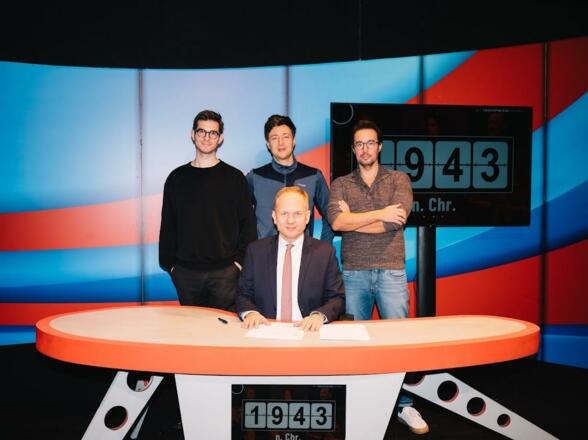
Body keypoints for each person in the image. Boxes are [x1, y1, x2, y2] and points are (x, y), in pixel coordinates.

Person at [327, 120, 429, 435]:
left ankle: (404, 404)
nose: (365, 149)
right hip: (353, 272)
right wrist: (378, 213)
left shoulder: (399, 179)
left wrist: (355, 218)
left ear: (380, 147)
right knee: (354, 344)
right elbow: (337, 223)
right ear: (353, 149)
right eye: (359, 144)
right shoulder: (341, 183)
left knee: (397, 343)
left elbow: (396, 221)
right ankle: (358, 405)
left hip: (391, 270)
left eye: (370, 143)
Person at [159, 110, 257, 310]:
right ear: (192, 134)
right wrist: (171, 266)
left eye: (213, 133)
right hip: (185, 274)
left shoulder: (235, 178)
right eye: (201, 131)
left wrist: (238, 264)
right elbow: (168, 226)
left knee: (222, 329)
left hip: (225, 274)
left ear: (220, 138)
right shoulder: (176, 178)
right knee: (191, 328)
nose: (206, 137)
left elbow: (248, 225)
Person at [236, 186, 344, 331]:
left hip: (308, 331)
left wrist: (318, 316)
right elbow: (243, 294)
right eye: (284, 213)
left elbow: (336, 298)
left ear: (307, 216)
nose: (290, 220)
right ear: (274, 217)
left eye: (297, 213)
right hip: (265, 329)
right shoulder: (256, 251)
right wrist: (251, 313)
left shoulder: (325, 253)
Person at [246, 114, 334, 243]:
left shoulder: (313, 176)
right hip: (264, 254)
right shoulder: (255, 177)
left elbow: (331, 216)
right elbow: (238, 218)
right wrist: (250, 250)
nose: (281, 143)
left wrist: (322, 248)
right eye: (274, 138)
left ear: (293, 141)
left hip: (303, 254)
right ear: (268, 144)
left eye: (286, 137)